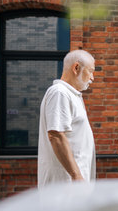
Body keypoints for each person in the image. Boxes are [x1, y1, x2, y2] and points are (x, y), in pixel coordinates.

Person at [38, 50, 96, 188]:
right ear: (76, 68)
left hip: (72, 183)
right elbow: (56, 135)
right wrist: (76, 175)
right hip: (65, 184)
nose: (92, 77)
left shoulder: (71, 95)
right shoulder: (60, 92)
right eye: (91, 71)